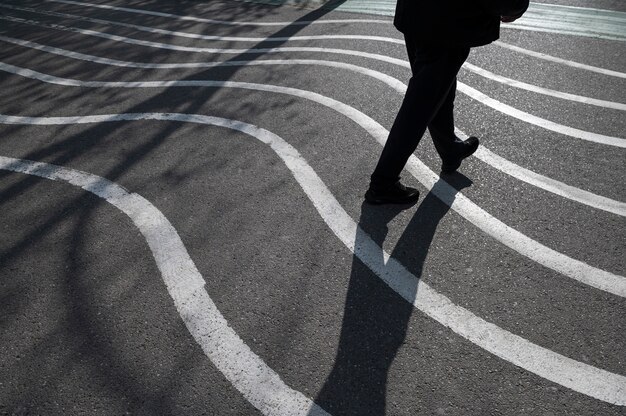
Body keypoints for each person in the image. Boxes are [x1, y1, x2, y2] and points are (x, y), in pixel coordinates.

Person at [365, 0, 529, 204]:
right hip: (450, 20)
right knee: (421, 103)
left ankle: (450, 150)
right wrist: (514, 6)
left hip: (417, 11)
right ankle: (383, 182)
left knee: (436, 90)